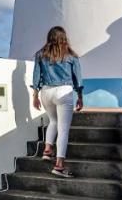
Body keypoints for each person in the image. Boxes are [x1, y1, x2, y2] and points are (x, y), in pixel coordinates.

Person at [31, 26, 84, 178]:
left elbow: (36, 76)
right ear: (64, 38)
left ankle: (47, 149)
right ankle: (59, 165)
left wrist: (35, 95)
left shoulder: (41, 55)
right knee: (63, 129)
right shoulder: (71, 56)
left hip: (46, 91)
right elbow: (78, 78)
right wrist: (80, 96)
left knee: (53, 121)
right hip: (64, 91)